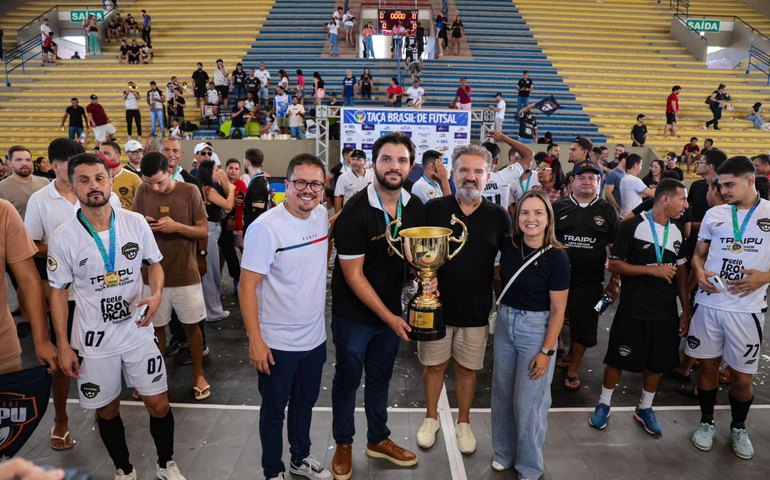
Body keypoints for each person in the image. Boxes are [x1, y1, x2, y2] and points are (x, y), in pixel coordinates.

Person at [48, 153, 186, 480]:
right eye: (84, 180)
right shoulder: (63, 236)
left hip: (137, 331)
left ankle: (166, 464)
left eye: (99, 178)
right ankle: (124, 469)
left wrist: (154, 294)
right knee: (107, 409)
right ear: (73, 186)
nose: (93, 186)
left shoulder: (135, 222)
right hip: (95, 340)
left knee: (159, 404)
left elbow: (154, 264)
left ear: (111, 180)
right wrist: (64, 345)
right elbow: (56, 291)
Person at [330, 133, 426, 480]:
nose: (394, 167)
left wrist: (426, 276)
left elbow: (416, 258)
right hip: (353, 313)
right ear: (374, 164)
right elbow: (353, 277)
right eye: (387, 159)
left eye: (401, 161)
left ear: (410, 166)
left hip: (389, 310)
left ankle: (378, 438)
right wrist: (390, 317)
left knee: (381, 377)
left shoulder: (414, 207)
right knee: (348, 378)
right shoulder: (354, 212)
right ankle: (343, 442)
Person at [239, 153, 333, 480]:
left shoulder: (321, 215)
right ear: (286, 185)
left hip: (314, 339)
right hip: (276, 343)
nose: (308, 190)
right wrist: (255, 341)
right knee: (274, 412)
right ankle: (272, 470)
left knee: (304, 405)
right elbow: (246, 287)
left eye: (316, 184)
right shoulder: (265, 229)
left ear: (324, 187)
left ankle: (299, 458)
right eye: (301, 183)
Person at [417, 144, 510, 454]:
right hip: (438, 308)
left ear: (488, 175)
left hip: (476, 308)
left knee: (468, 370)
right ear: (452, 174)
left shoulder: (498, 216)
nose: (471, 177)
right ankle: (431, 418)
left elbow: (505, 266)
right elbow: (419, 258)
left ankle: (464, 422)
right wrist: (425, 279)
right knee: (433, 367)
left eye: (477, 171)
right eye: (464, 171)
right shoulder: (434, 209)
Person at [589, 178, 690, 437]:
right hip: (633, 307)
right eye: (682, 199)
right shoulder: (632, 226)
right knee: (617, 357)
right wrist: (651, 271)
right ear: (665, 199)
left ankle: (645, 408)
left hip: (665, 311)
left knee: (656, 363)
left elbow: (680, 272)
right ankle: (604, 403)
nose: (686, 205)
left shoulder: (677, 230)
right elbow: (615, 265)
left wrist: (685, 309)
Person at [685, 155, 770, 459]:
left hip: (746, 311)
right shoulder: (715, 214)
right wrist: (698, 270)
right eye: (721, 186)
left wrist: (765, 276)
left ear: (750, 180)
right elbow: (698, 254)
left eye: (730, 185)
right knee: (707, 368)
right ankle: (706, 422)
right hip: (709, 305)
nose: (724, 192)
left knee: (742, 378)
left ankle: (738, 426)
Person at [492, 189, 569, 478]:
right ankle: (503, 452)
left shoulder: (557, 258)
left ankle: (529, 466)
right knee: (502, 394)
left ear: (548, 218)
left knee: (530, 403)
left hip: (535, 330)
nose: (531, 218)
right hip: (504, 324)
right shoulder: (510, 244)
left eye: (538, 212)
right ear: (517, 216)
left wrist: (546, 352)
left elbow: (558, 310)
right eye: (525, 212)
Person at [133, 152, 211, 402]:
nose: (155, 187)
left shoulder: (190, 191)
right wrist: (143, 224)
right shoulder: (142, 192)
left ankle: (199, 375)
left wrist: (176, 227)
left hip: (184, 273)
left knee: (192, 327)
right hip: (150, 276)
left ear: (169, 171)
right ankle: (156, 377)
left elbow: (202, 229)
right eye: (149, 182)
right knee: (155, 329)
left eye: (159, 182)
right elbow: (132, 227)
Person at [553, 160, 620, 391]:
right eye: (582, 177)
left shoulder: (608, 210)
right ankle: (556, 356)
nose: (587, 181)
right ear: (572, 182)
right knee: (553, 323)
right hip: (557, 282)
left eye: (593, 178)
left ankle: (573, 367)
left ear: (599, 182)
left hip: (591, 283)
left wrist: (615, 281)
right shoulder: (558, 208)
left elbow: (616, 250)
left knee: (585, 327)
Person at [196, 157, 234, 324]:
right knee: (211, 273)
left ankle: (210, 308)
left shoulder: (204, 189)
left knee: (212, 271)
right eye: (215, 170)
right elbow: (228, 205)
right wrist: (231, 189)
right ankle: (213, 312)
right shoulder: (208, 190)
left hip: (212, 229)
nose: (219, 173)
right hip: (210, 231)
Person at [0, 146, 50, 219]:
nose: (24, 163)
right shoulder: (2, 188)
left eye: (28, 160)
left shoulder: (45, 182)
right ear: (10, 163)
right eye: (19, 160)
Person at [99, 141, 141, 209]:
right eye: (100, 153)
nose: (101, 156)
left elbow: (141, 204)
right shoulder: (95, 179)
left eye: (106, 153)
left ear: (118, 156)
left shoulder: (133, 178)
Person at [243, 148, 271, 231]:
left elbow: (258, 215)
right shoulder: (260, 180)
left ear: (247, 163)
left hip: (255, 232)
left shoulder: (258, 183)